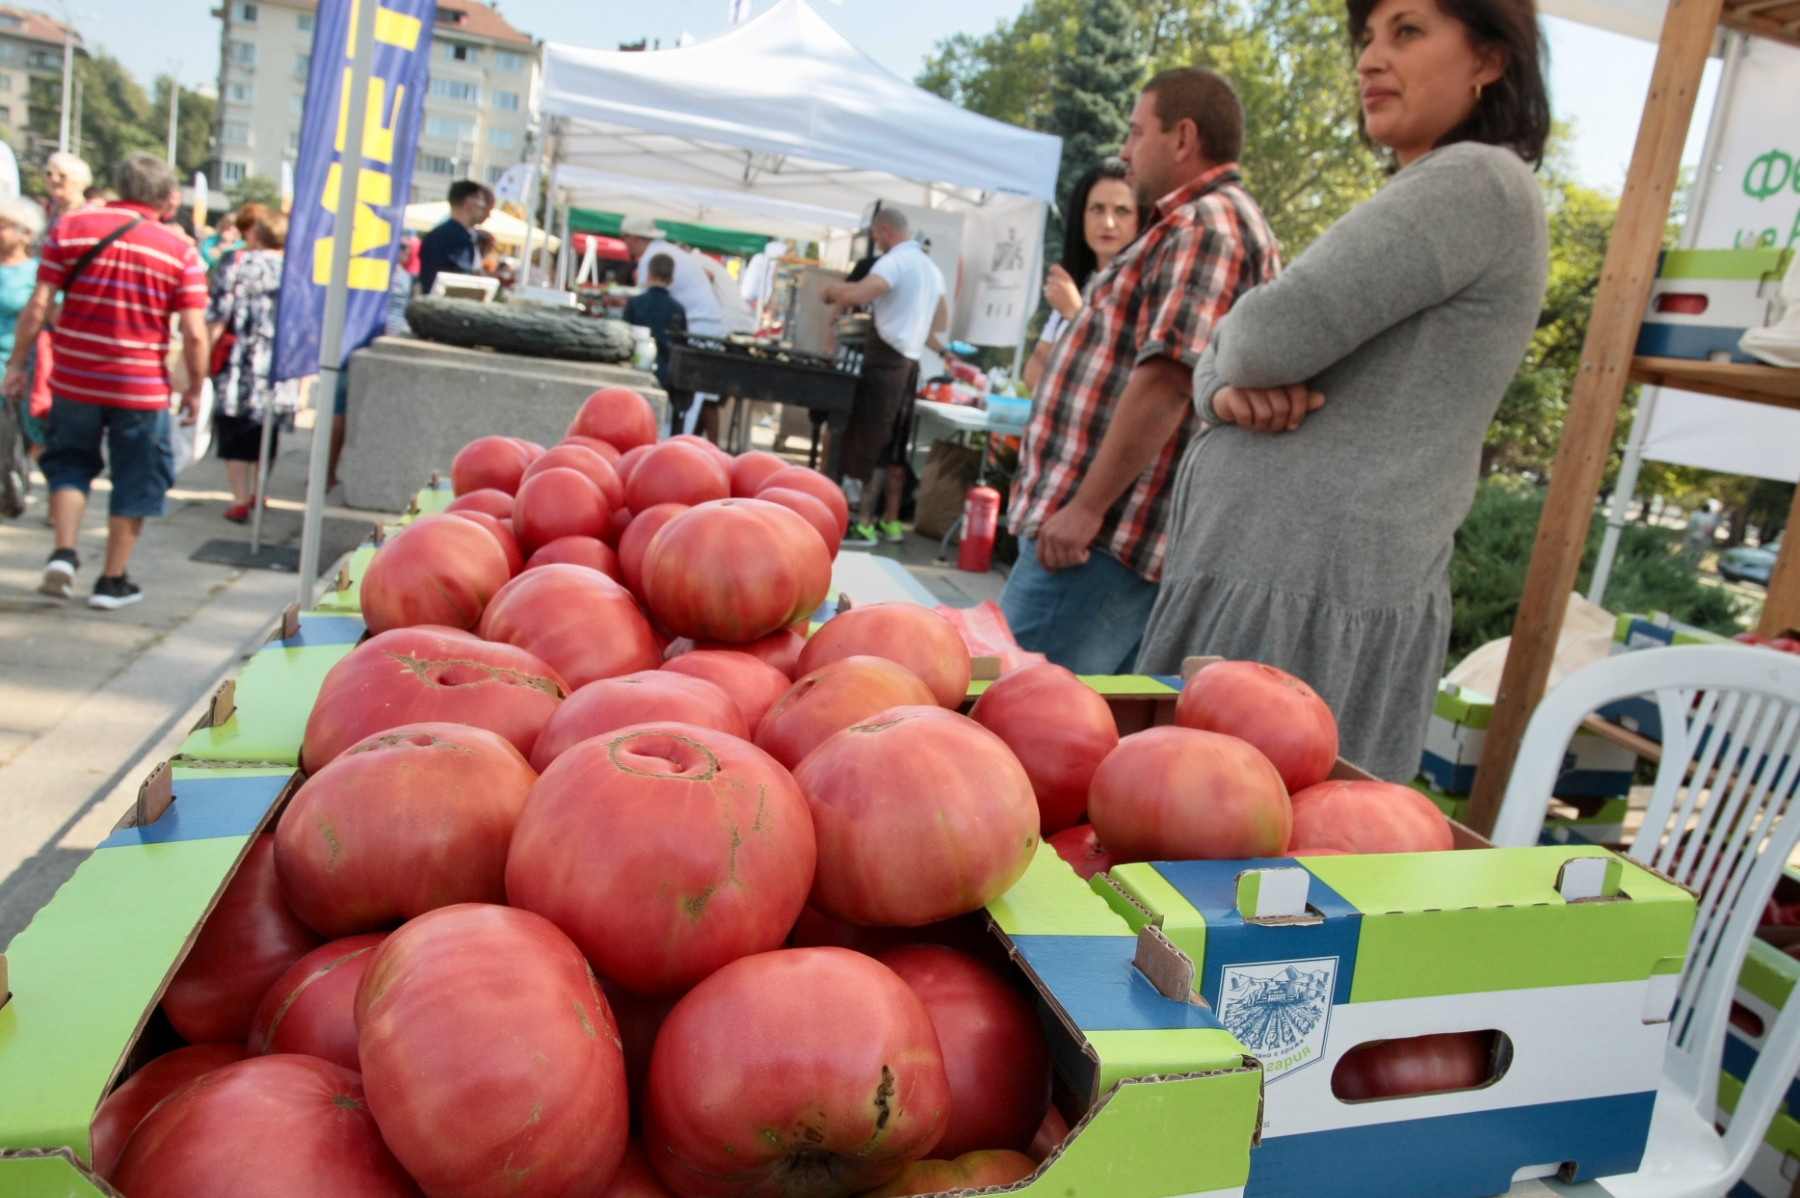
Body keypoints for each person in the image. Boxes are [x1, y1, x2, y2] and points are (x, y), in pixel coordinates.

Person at [1136, 0, 1552, 782]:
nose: (1369, 59)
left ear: (1490, 59)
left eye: (1408, 31)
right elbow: (1246, 356)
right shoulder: (1450, 187)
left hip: (1301, 603)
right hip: (1293, 592)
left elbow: (1263, 337)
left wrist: (1224, 368)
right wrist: (1221, 388)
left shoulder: (1474, 181)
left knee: (1229, 866)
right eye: (1368, 38)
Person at [1002, 69, 1281, 674]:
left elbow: (1169, 384)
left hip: (1099, 544)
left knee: (1011, 717)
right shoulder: (1195, 224)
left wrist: (1085, 509)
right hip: (1097, 541)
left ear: (1183, 137)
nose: (1126, 154)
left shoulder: (1209, 225)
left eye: (1136, 133)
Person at [0, 152, 209, 609]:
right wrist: (195, 386)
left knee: (69, 464)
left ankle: (64, 552)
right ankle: (112, 581)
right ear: (166, 198)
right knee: (137, 477)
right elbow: (194, 331)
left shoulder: (71, 228)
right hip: (140, 387)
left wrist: (18, 363)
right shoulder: (180, 250)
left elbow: (39, 304)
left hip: (74, 378)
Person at [820, 208, 950, 547]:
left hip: (884, 367)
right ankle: (888, 523)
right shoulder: (932, 270)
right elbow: (940, 323)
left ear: (886, 230)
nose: (877, 243)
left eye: (877, 237)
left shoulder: (896, 261)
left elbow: (858, 295)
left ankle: (861, 523)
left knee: (868, 443)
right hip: (909, 368)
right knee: (894, 448)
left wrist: (832, 291)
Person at [1023, 159, 1150, 392]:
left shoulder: (1147, 294)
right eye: (1097, 209)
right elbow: (1034, 374)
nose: (1108, 222)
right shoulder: (1080, 284)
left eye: (1122, 211)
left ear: (1140, 220)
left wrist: (1076, 314)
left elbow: (1121, 381)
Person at [207, 209, 291, 523]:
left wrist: (202, 357)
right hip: (278, 364)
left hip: (239, 362)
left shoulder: (238, 263)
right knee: (266, 432)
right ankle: (260, 489)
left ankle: (240, 498)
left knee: (234, 431)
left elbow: (217, 314)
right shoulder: (294, 270)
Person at [618, 215, 728, 439]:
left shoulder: (651, 258)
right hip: (702, 322)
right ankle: (675, 440)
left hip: (701, 324)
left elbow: (644, 306)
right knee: (691, 393)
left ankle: (674, 440)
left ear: (633, 237)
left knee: (690, 389)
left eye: (625, 239)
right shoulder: (663, 252)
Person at [0, 198, 46, 468]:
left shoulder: (37, 272)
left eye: (2, 226)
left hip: (21, 368)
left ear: (26, 233)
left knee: (26, 444)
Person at [623, 252, 687, 395]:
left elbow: (623, 336)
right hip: (665, 374)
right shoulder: (678, 309)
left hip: (635, 369)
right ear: (671, 279)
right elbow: (682, 346)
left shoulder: (635, 303)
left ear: (649, 275)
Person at [417, 180, 492, 295]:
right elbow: (462, 285)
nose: (484, 213)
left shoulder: (434, 235)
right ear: (469, 204)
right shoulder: (460, 241)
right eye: (482, 206)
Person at [43, 152, 93, 222]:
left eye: (62, 176)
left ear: (81, 183)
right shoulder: (46, 212)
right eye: (49, 174)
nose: (53, 179)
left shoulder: (89, 215)